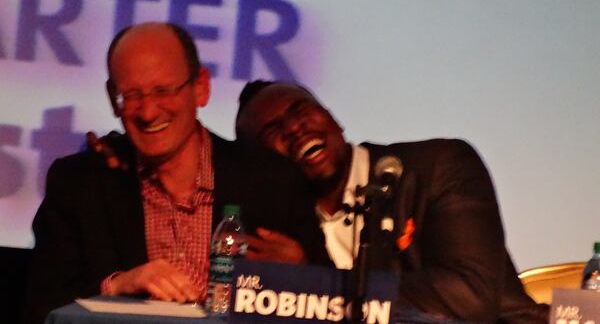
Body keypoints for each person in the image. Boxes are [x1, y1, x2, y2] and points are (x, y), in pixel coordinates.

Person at [24, 24, 329, 324]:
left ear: (200, 88)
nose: (148, 112)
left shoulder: (274, 181)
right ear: (111, 98)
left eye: (163, 91)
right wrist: (117, 286)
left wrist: (299, 276)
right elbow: (40, 307)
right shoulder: (79, 185)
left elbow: (334, 304)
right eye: (131, 95)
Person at [234, 80, 549, 324]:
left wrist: (311, 282)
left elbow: (469, 297)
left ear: (333, 119)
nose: (293, 128)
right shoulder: (277, 227)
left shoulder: (437, 167)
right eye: (272, 130)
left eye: (301, 111)